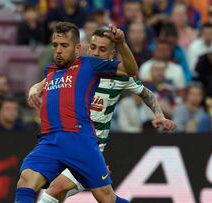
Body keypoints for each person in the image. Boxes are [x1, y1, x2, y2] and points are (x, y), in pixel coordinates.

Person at [30, 28, 177, 203]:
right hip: (68, 143)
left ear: (111, 54)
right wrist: (36, 87)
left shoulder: (119, 77)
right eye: (93, 47)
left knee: (54, 191)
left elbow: (146, 93)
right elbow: (51, 78)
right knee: (64, 194)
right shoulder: (76, 67)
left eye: (102, 49)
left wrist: (158, 114)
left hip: (89, 148)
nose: (96, 53)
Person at [15, 22, 138, 203]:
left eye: (64, 46)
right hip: (49, 141)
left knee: (106, 198)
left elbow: (131, 70)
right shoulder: (51, 73)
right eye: (55, 45)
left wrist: (121, 44)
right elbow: (38, 86)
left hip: (79, 140)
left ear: (77, 48)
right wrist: (34, 89)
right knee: (25, 180)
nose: (58, 50)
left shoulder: (90, 65)